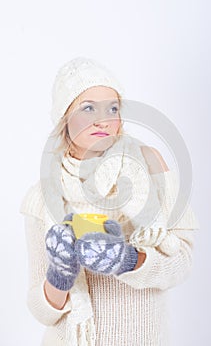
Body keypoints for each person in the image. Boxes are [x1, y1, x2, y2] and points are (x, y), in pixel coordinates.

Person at [20, 57, 199, 346]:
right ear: (64, 119)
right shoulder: (41, 196)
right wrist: (60, 277)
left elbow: (183, 262)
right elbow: (40, 310)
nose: (103, 119)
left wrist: (128, 261)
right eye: (88, 107)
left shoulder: (150, 166)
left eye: (112, 108)